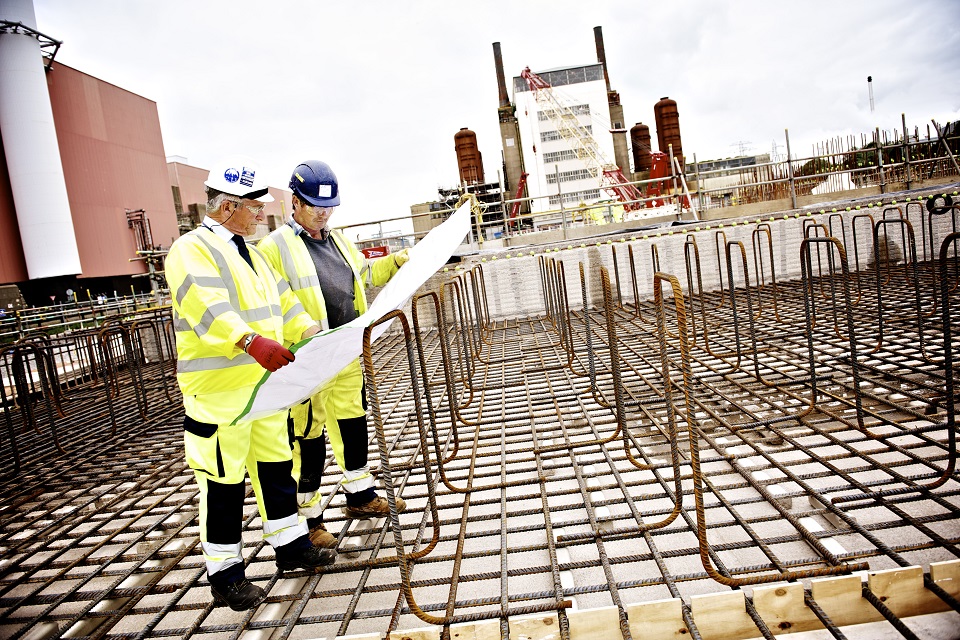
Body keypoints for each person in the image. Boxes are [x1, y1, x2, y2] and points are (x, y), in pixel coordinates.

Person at [164, 156, 335, 612]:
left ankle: (291, 547)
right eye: (255, 207)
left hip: (263, 389)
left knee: (276, 467)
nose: (262, 214)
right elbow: (206, 307)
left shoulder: (252, 254)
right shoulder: (191, 250)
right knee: (222, 484)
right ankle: (226, 574)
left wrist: (314, 333)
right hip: (220, 395)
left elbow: (283, 302)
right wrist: (249, 341)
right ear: (226, 208)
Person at [258, 159, 409, 549]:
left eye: (329, 206)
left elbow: (363, 275)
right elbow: (275, 300)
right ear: (294, 201)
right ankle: (308, 521)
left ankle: (358, 495)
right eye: (314, 205)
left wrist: (394, 263)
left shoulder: (338, 239)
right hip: (306, 359)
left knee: (351, 423)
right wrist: (305, 334)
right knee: (306, 440)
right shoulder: (273, 248)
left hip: (344, 351)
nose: (323, 212)